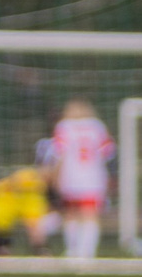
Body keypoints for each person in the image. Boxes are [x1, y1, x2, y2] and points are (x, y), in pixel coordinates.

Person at [48, 98, 116, 261]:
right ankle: (87, 252)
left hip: (70, 176)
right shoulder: (97, 126)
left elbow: (59, 153)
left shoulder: (63, 127)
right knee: (90, 214)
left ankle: (73, 251)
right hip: (93, 177)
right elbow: (108, 152)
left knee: (71, 213)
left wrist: (56, 175)